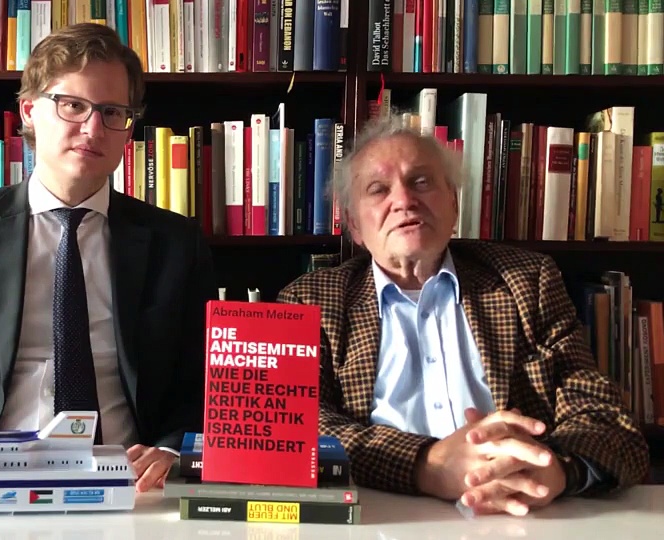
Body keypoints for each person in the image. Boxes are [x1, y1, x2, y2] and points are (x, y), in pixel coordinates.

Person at [0, 23, 217, 492]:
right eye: (73, 105)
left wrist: (172, 450)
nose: (93, 128)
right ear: (29, 110)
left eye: (113, 112)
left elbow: (205, 391)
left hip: (127, 488)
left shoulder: (176, 243)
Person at [277, 114, 649, 516]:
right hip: (380, 518)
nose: (404, 200)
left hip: (520, 518)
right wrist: (427, 464)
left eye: (421, 181)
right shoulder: (311, 302)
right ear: (353, 225)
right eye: (378, 189)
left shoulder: (526, 282)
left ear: (454, 203)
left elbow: (606, 419)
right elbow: (296, 427)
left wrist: (558, 469)